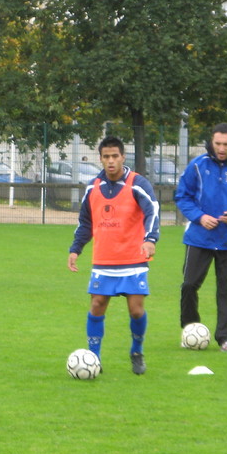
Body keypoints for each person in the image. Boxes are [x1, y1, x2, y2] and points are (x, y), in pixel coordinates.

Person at [68, 136, 159, 375]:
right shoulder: (93, 187)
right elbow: (85, 222)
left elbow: (152, 212)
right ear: (100, 158)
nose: (110, 161)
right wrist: (76, 249)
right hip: (104, 260)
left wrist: (150, 240)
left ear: (123, 157)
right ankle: (93, 358)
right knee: (97, 305)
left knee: (136, 310)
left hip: (133, 258)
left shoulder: (138, 183)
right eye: (106, 157)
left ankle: (137, 351)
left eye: (115, 156)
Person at [174, 122, 227, 353]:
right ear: (211, 142)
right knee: (189, 285)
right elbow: (183, 196)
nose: (221, 148)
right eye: (217, 143)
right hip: (198, 238)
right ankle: (190, 330)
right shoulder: (197, 166)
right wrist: (200, 217)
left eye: (226, 144)